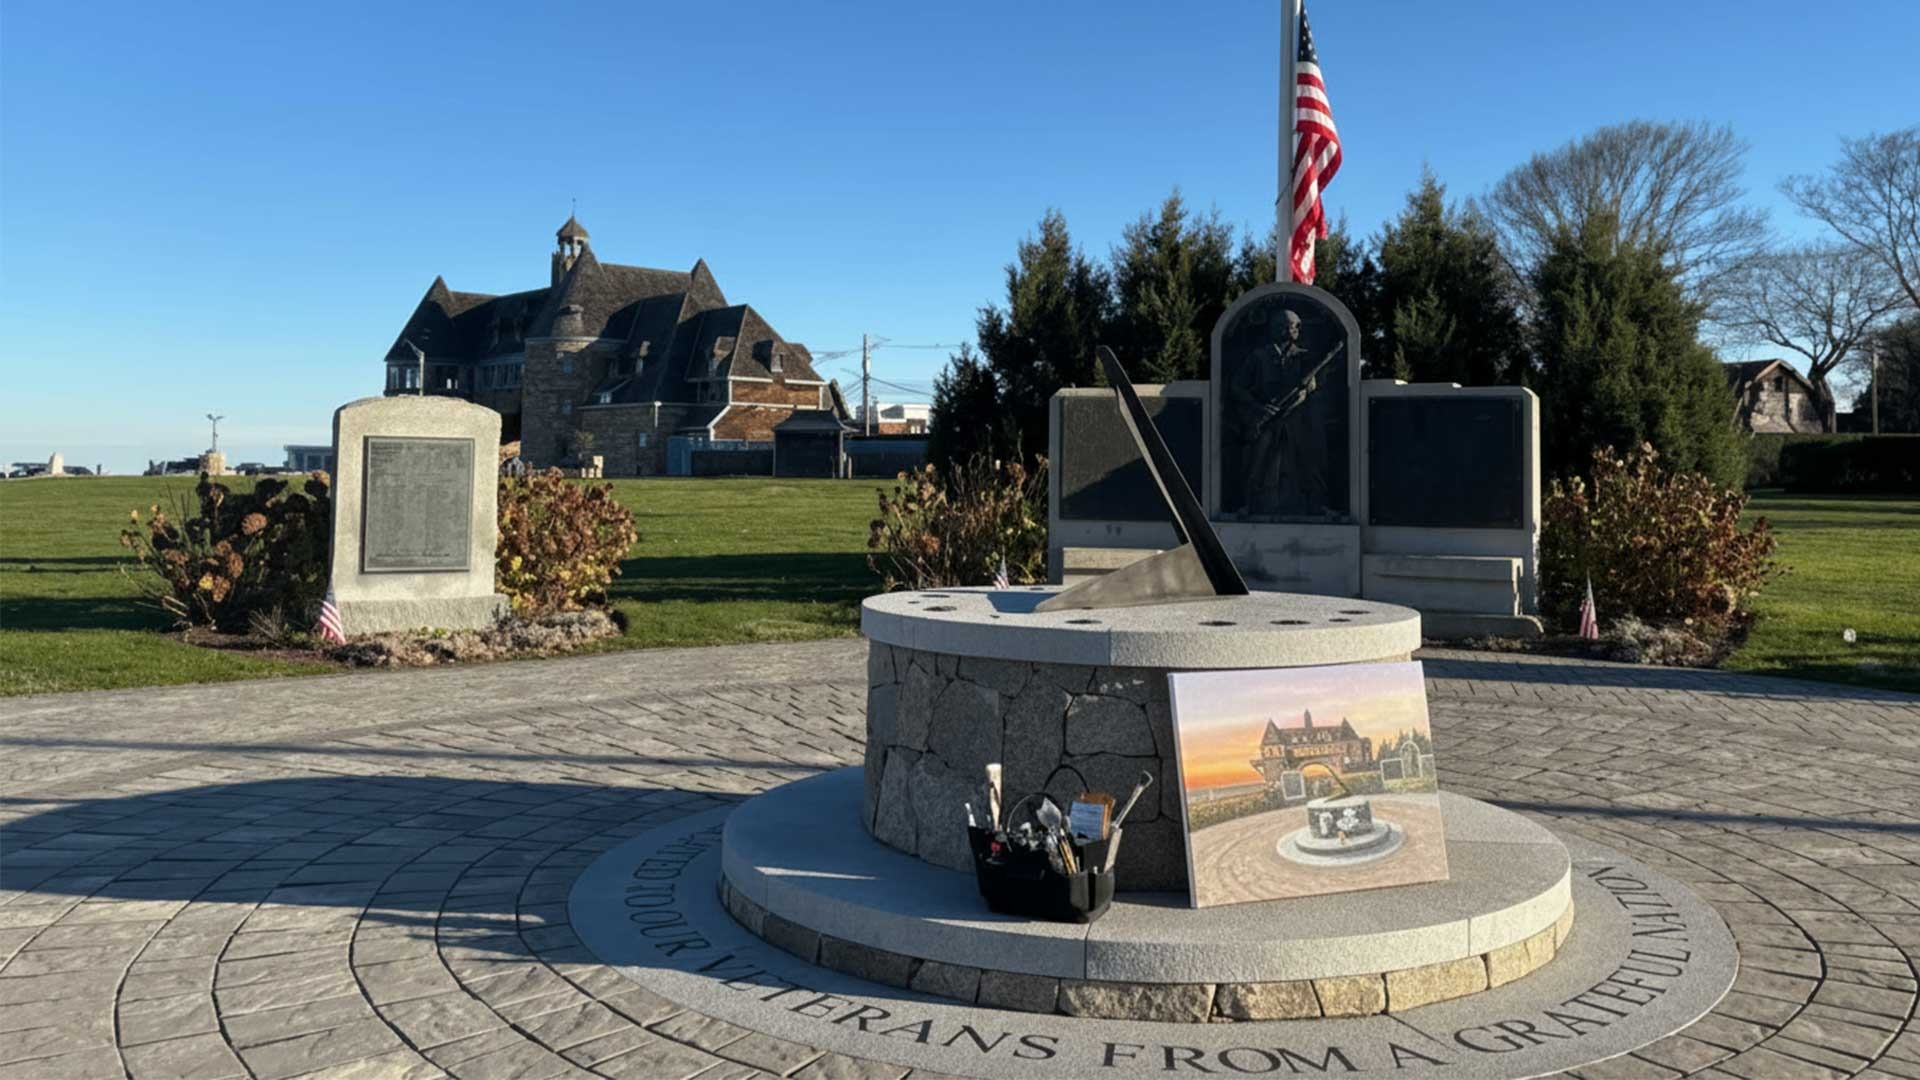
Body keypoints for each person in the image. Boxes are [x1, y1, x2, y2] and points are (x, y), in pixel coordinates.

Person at [1227, 307, 1330, 516]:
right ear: (1279, 328)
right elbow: (1237, 387)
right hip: (1266, 418)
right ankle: (1249, 504)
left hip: (1295, 419)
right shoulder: (1259, 357)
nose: (1297, 329)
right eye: (1293, 325)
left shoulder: (1304, 357)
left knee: (1307, 461)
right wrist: (1259, 407)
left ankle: (1316, 504)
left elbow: (1313, 389)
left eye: (1297, 325)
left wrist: (1307, 388)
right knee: (1258, 462)